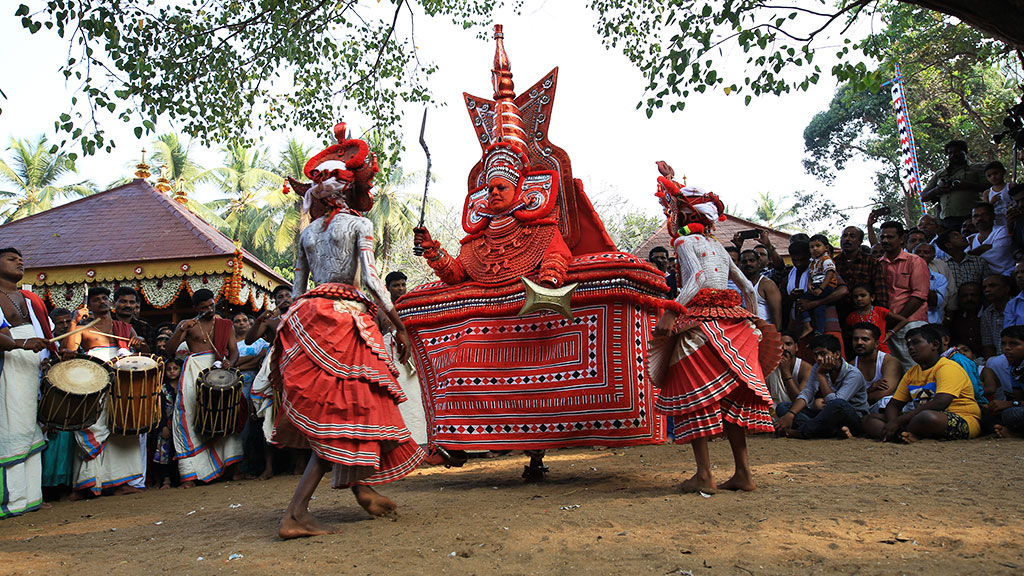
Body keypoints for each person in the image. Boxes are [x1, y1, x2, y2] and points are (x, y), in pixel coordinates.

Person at [275, 124, 424, 539]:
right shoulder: (359, 226)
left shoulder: (307, 233)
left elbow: (296, 289)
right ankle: (295, 513)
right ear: (352, 189)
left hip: (306, 320)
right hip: (344, 319)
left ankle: (362, 490)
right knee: (344, 412)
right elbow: (374, 284)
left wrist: (289, 325)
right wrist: (401, 328)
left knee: (344, 408)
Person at [649, 167, 777, 494]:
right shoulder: (718, 247)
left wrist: (672, 311)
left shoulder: (686, 242)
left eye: (673, 211)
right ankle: (743, 473)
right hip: (734, 326)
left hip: (700, 326)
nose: (671, 217)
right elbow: (748, 288)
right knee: (732, 399)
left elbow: (694, 281)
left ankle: (705, 474)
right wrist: (751, 323)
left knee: (695, 396)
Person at [65, 286, 147, 498]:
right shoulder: (84, 328)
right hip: (93, 382)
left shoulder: (123, 327)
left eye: (104, 298)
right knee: (91, 427)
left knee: (122, 426)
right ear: (89, 305)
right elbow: (68, 352)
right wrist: (74, 322)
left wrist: (140, 344)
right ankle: (85, 485)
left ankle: (120, 483)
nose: (101, 302)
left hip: (121, 383)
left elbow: (144, 351)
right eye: (96, 300)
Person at [166, 289, 242, 487]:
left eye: (211, 305)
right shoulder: (189, 326)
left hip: (219, 373)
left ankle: (230, 469)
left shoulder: (225, 325)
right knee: (188, 418)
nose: (209, 310)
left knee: (226, 416)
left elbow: (234, 353)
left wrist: (229, 363)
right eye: (204, 308)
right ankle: (190, 475)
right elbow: (169, 350)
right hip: (193, 373)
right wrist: (180, 330)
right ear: (195, 308)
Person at [0, 247, 53, 518]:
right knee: (11, 428)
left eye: (21, 260)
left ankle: (30, 497)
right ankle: (10, 499)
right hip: (7, 369)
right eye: (11, 259)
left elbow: (41, 333)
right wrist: (23, 343)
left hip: (30, 368)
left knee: (31, 427)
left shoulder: (29, 298)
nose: (19, 263)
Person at [862, 325, 982, 442]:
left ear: (935, 345)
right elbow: (894, 405)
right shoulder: (911, 373)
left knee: (927, 417)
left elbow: (940, 402)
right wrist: (893, 422)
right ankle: (902, 435)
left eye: (916, 343)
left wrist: (898, 422)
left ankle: (902, 434)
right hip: (918, 420)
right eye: (908, 345)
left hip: (961, 419)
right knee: (869, 419)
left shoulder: (948, 367)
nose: (911, 348)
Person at [775, 334, 869, 439]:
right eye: (816, 355)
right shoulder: (818, 366)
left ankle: (802, 432)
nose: (819, 358)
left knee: (838, 404)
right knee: (783, 407)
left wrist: (821, 376)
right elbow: (807, 393)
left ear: (837, 354)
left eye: (823, 354)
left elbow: (835, 402)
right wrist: (790, 415)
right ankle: (829, 431)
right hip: (827, 417)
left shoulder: (853, 374)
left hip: (852, 417)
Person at [877, 221, 930, 371]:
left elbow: (919, 296)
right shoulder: (878, 264)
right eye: (883, 237)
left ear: (902, 239)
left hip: (911, 322)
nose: (885, 240)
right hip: (887, 326)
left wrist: (898, 321)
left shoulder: (915, 261)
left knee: (915, 368)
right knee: (892, 369)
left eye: (890, 237)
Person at [40, 307, 75, 500]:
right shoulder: (47, 345)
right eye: (60, 322)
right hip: (50, 404)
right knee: (50, 450)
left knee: (67, 450)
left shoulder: (76, 343)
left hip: (72, 404)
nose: (63, 326)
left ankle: (64, 486)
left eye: (67, 322)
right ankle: (47, 489)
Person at [921, 140, 989, 231]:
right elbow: (923, 197)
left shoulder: (977, 168)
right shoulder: (940, 173)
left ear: (965, 152)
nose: (953, 155)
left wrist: (968, 185)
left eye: (957, 152)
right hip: (946, 220)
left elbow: (991, 187)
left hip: (970, 216)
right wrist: (938, 190)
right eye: (950, 153)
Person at [233, 312, 269, 478]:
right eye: (237, 321)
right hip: (235, 389)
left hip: (255, 386)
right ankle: (238, 467)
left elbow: (258, 361)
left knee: (253, 427)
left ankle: (252, 466)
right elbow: (229, 360)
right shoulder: (230, 343)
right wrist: (250, 360)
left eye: (244, 320)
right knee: (238, 428)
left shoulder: (261, 341)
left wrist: (238, 363)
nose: (241, 323)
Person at [849, 322, 903, 411]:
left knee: (886, 401)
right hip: (859, 409)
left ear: (876, 343)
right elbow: (846, 397)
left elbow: (883, 393)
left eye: (865, 339)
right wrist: (871, 389)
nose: (859, 343)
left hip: (885, 409)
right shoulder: (851, 366)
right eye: (856, 339)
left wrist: (859, 396)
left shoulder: (889, 362)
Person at [834, 225, 889, 310]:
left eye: (852, 236)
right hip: (838, 313)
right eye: (844, 236)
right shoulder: (833, 263)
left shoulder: (871, 262)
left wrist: (880, 314)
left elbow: (880, 292)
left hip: (864, 313)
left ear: (860, 241)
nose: (847, 239)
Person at [844, 284, 905, 355]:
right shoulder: (852, 316)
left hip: (882, 349)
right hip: (863, 351)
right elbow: (846, 331)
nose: (859, 299)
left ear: (872, 297)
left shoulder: (880, 311)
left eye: (863, 295)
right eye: (855, 297)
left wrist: (890, 333)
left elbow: (903, 320)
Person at [153, 358, 183, 489]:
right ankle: (166, 480)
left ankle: (181, 477)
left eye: (175, 369)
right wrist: (163, 426)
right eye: (169, 369)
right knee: (165, 452)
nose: (172, 372)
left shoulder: (184, 386)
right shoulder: (162, 388)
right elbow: (159, 409)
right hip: (167, 424)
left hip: (181, 424)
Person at [989, 326, 1024, 437]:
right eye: (1003, 344)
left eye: (1013, 344)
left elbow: (1016, 404)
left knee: (1013, 414)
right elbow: (1019, 399)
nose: (1006, 348)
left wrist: (1009, 404)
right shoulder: (1015, 368)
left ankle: (1016, 434)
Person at [766, 331, 813, 408]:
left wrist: (786, 372)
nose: (784, 348)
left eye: (788, 344)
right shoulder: (770, 366)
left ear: (796, 347)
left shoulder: (806, 368)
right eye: (780, 345)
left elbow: (800, 401)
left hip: (797, 411)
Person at [967, 202, 1015, 276]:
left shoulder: (1002, 231)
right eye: (976, 216)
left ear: (993, 216)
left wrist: (973, 254)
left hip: (1006, 274)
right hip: (982, 278)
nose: (979, 218)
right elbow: (964, 259)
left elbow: (997, 255)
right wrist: (982, 248)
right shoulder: (970, 239)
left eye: (984, 215)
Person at [739, 249, 781, 328]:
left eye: (752, 260)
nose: (748, 264)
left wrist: (777, 333)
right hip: (746, 331)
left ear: (759, 263)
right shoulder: (738, 284)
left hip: (765, 330)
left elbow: (777, 313)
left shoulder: (767, 284)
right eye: (744, 262)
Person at [912, 242, 948, 324]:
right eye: (918, 252)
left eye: (926, 252)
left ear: (933, 257)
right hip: (910, 323)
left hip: (931, 323)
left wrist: (919, 281)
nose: (921, 255)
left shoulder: (939, 279)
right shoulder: (904, 275)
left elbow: (937, 302)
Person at [980, 274, 1014, 358]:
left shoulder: (1018, 306)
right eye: (984, 287)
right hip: (1000, 361)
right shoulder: (987, 313)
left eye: (992, 286)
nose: (987, 290)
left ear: (1007, 288)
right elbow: (988, 346)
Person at [112, 286, 153, 353]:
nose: (128, 305)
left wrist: (143, 345)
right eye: (123, 301)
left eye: (132, 302)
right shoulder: (108, 325)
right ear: (114, 303)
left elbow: (152, 355)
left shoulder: (145, 327)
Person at [949, 282, 984, 357]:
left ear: (981, 297)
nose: (969, 299)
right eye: (965, 296)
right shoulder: (955, 317)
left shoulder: (988, 314)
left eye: (973, 295)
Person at [982, 161, 1012, 228]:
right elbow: (985, 210)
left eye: (996, 173)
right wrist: (991, 203)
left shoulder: (1010, 187)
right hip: (997, 223)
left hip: (1012, 219)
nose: (993, 177)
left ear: (1003, 172)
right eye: (989, 176)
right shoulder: (987, 193)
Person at [1003, 261, 1024, 330]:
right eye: (1016, 274)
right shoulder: (1012, 305)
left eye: (1023, 272)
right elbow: (1010, 334)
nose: (1019, 276)